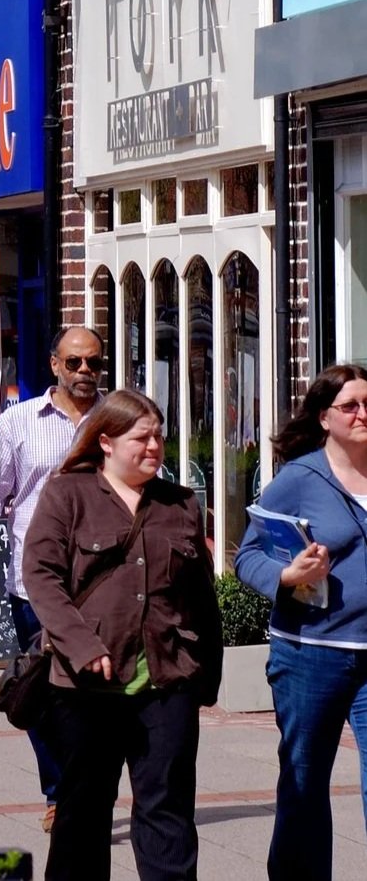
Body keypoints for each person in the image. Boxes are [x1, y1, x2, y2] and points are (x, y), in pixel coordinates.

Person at [25, 388, 219, 881]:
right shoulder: (68, 493)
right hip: (87, 685)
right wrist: (82, 644)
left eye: (159, 437)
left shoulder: (181, 505)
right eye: (142, 437)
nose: (154, 447)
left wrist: (206, 677)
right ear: (106, 441)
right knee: (83, 812)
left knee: (168, 812)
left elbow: (200, 599)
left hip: (166, 681)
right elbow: (42, 577)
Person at [0, 323, 106, 832]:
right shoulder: (18, 423)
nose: (85, 372)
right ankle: (61, 791)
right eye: (75, 363)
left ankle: (87, 789)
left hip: (106, 585)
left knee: (97, 697)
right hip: (34, 583)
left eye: (94, 363)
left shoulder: (118, 420)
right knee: (42, 693)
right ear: (55, 365)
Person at [236, 364, 367, 881]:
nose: (363, 414)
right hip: (311, 652)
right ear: (323, 417)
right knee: (305, 780)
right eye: (351, 405)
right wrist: (288, 574)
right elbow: (248, 557)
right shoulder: (298, 478)